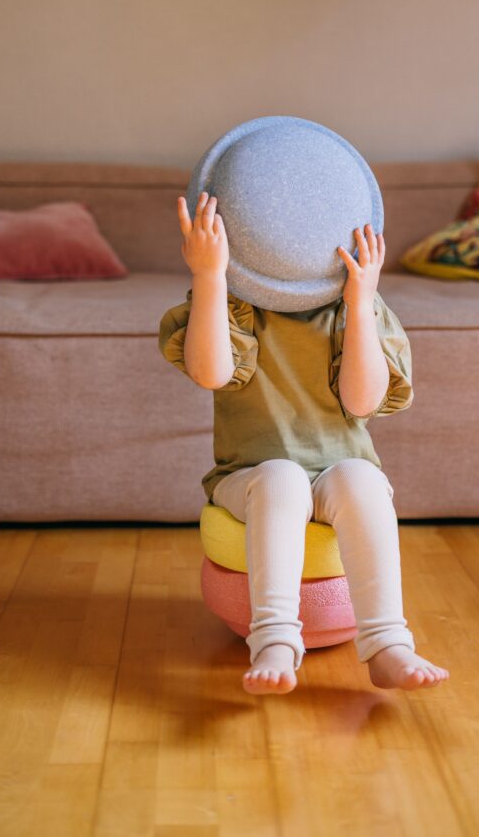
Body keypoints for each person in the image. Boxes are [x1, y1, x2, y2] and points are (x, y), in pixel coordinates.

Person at [159, 190, 450, 696]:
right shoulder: (232, 304)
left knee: (362, 477)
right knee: (283, 476)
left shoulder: (357, 308)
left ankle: (387, 643)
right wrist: (209, 276)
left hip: (338, 471)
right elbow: (211, 373)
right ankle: (274, 639)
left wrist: (359, 303)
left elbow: (362, 402)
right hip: (249, 476)